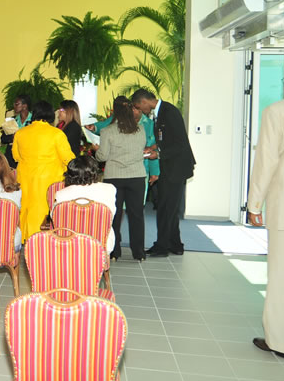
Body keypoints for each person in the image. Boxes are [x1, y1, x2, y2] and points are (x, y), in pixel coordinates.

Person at [247, 59, 284, 359]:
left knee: (282, 273)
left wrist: (255, 203)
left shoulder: (278, 112)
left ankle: (280, 341)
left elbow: (266, 162)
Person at [132, 88, 195, 257]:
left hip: (177, 168)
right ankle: (175, 245)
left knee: (165, 208)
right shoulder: (160, 112)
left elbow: (180, 143)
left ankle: (162, 246)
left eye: (139, 106)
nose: (140, 110)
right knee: (169, 208)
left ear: (145, 101)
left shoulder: (169, 112)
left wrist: (158, 153)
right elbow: (166, 139)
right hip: (170, 166)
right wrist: (154, 147)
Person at [12, 100, 75, 241]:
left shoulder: (20, 133)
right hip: (49, 179)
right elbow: (68, 158)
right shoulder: (56, 134)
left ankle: (24, 238)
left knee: (25, 208)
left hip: (25, 178)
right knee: (44, 209)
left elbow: (16, 156)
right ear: (51, 116)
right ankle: (43, 240)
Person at [95, 96, 147, 261]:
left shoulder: (107, 131)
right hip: (137, 176)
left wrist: (95, 149)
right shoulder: (140, 130)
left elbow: (102, 156)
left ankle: (114, 252)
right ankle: (139, 253)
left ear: (115, 111)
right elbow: (140, 149)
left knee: (115, 215)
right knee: (136, 215)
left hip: (114, 178)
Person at [53, 155, 117, 254]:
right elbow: (111, 214)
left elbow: (54, 217)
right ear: (95, 172)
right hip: (100, 245)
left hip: (68, 245)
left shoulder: (61, 194)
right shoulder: (109, 189)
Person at [1, 95, 31, 168]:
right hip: (13, 153)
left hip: (28, 152)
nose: (14, 106)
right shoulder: (12, 120)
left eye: (17, 104)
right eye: (14, 104)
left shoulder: (34, 120)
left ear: (24, 106)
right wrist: (12, 137)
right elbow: (3, 139)